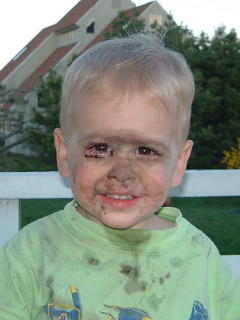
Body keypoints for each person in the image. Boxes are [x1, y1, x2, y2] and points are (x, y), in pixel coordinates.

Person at [0, 33, 239, 320]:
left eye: (146, 150)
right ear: (64, 154)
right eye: (100, 148)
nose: (122, 173)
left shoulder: (202, 258)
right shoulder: (30, 255)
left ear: (178, 163)